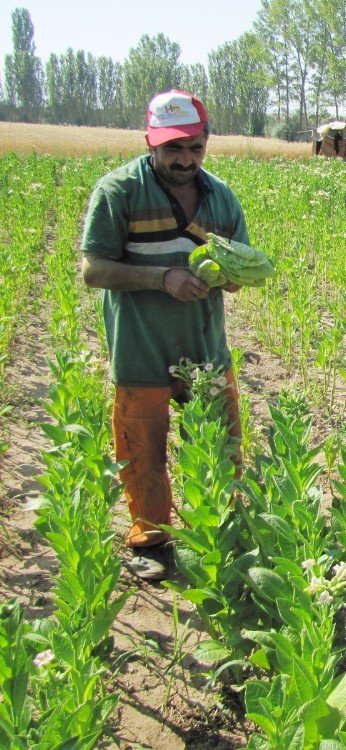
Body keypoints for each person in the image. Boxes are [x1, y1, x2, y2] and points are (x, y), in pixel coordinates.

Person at [80, 90, 249, 582]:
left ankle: (215, 530)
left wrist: (234, 274)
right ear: (150, 142)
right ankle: (150, 540)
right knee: (143, 451)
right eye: (174, 148)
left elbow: (237, 263)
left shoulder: (221, 197)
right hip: (141, 349)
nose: (185, 159)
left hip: (204, 347)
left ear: (206, 143)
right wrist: (162, 278)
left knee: (221, 447)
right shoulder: (119, 192)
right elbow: (93, 270)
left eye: (194, 147)